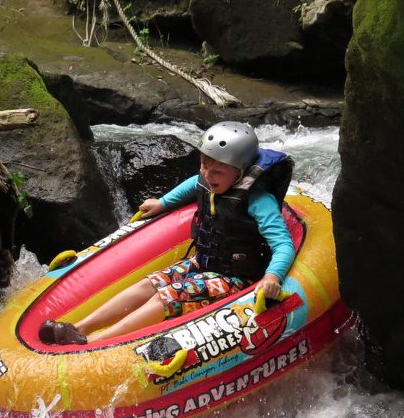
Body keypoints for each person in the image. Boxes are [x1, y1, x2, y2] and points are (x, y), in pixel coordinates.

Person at [39, 121, 296, 346]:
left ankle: (94, 342)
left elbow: (283, 245)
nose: (208, 175)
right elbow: (191, 184)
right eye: (204, 166)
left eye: (217, 171)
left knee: (169, 295)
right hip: (203, 262)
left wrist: (272, 276)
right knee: (150, 283)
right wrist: (163, 202)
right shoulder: (208, 180)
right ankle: (79, 328)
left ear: (239, 172)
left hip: (238, 278)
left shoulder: (258, 200)